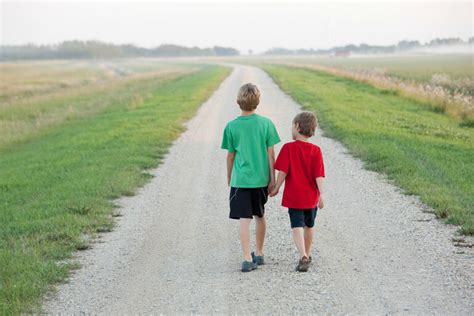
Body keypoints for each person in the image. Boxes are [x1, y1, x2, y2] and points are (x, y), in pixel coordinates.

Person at [221, 83, 280, 272]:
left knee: (244, 219)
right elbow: (271, 154)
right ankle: (260, 253)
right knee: (260, 214)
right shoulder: (266, 124)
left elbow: (230, 156)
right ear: (257, 102)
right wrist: (273, 179)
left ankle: (247, 258)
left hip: (241, 181)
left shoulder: (231, 126)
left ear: (238, 102)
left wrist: (229, 176)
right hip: (261, 180)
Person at [270, 111, 325, 272]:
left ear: (297, 126)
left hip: (295, 197)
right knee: (309, 225)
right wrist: (321, 195)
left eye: (292, 127)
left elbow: (283, 172)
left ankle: (303, 255)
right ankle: (307, 253)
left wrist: (276, 187)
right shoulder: (316, 150)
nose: (291, 130)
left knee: (297, 226)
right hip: (311, 198)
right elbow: (319, 175)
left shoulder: (288, 148)